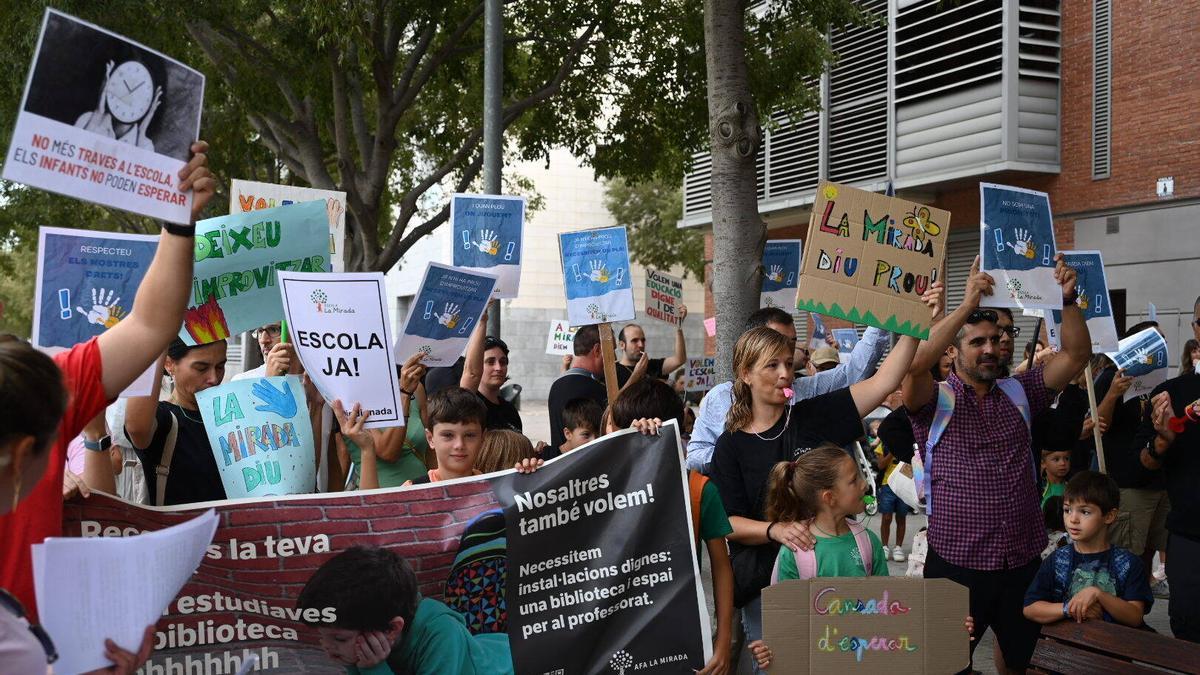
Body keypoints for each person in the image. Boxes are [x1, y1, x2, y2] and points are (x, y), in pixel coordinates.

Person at [0, 141, 213, 665]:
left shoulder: (33, 386)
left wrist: (178, 224)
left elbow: (149, 327)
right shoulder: (34, 392)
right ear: (26, 451)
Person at [903, 254, 1091, 674]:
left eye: (996, 338)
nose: (991, 349)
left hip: (1021, 565)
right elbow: (913, 363)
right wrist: (966, 305)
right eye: (977, 341)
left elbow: (1078, 354)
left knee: (1031, 664)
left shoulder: (1020, 390)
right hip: (955, 567)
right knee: (944, 666)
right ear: (952, 350)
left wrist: (1066, 300)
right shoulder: (932, 400)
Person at [710, 308, 925, 650]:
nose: (785, 374)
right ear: (746, 373)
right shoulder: (730, 445)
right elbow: (726, 522)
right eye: (772, 366)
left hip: (834, 581)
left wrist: (914, 327)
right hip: (767, 589)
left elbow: (883, 382)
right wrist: (774, 530)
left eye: (787, 363)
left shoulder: (812, 416)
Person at [606, 379, 734, 675]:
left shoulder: (699, 490)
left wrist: (724, 641)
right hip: (616, 638)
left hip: (681, 638)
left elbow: (722, 566)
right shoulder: (603, 485)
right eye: (628, 432)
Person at [687, 307, 893, 474]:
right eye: (771, 361)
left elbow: (863, 375)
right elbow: (695, 458)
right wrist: (741, 456)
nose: (784, 372)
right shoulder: (721, 399)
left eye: (791, 343)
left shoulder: (807, 397)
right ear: (747, 371)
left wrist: (889, 310)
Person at [296, 546, 512, 674]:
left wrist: (373, 669)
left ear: (392, 628)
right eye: (322, 637)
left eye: (340, 639)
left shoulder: (441, 634)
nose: (327, 647)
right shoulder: (371, 633)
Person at [1136, 294, 1200, 642]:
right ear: (1195, 330)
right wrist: (1163, 438)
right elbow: (1144, 464)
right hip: (1190, 537)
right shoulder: (1171, 393)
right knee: (1189, 630)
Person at [1023, 472, 1153, 628]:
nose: (1073, 519)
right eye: (1067, 510)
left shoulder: (1128, 563)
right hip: (1068, 648)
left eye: (1085, 512)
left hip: (1115, 646)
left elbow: (1134, 616)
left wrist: (1098, 594)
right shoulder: (1057, 560)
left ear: (1110, 516)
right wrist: (1070, 609)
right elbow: (1030, 608)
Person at [1097, 323, 1169, 578]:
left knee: (1150, 549)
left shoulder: (1160, 382)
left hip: (1159, 481)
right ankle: (1121, 613)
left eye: (1163, 340)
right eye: (1154, 339)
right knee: (1126, 555)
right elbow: (1098, 426)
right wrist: (1113, 393)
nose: (1162, 345)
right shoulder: (1110, 377)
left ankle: (1139, 608)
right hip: (1128, 482)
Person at [124, 339, 229, 506]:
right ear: (168, 364)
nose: (214, 378)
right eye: (201, 368)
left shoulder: (233, 416)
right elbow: (136, 428)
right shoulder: (165, 419)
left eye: (220, 366)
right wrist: (158, 338)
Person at [337, 355, 429, 489]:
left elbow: (431, 445)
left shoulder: (415, 387)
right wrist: (404, 395)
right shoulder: (349, 398)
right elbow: (388, 451)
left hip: (425, 496)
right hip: (382, 501)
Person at [546, 325, 607, 458]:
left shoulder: (557, 385)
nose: (613, 357)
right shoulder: (592, 389)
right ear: (597, 350)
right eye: (610, 350)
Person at [404, 387, 487, 486]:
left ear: (482, 438)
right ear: (430, 438)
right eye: (448, 435)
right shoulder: (410, 492)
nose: (459, 445)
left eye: (469, 435)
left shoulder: (498, 489)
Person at [460, 311, 522, 432]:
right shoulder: (470, 404)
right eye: (490, 362)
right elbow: (471, 373)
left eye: (503, 362)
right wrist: (482, 322)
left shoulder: (510, 410)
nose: (498, 368)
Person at [615, 313, 688, 389]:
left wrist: (678, 328)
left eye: (643, 340)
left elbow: (679, 360)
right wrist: (636, 375)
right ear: (622, 345)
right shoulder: (614, 372)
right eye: (634, 340)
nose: (641, 345)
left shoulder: (651, 365)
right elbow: (614, 400)